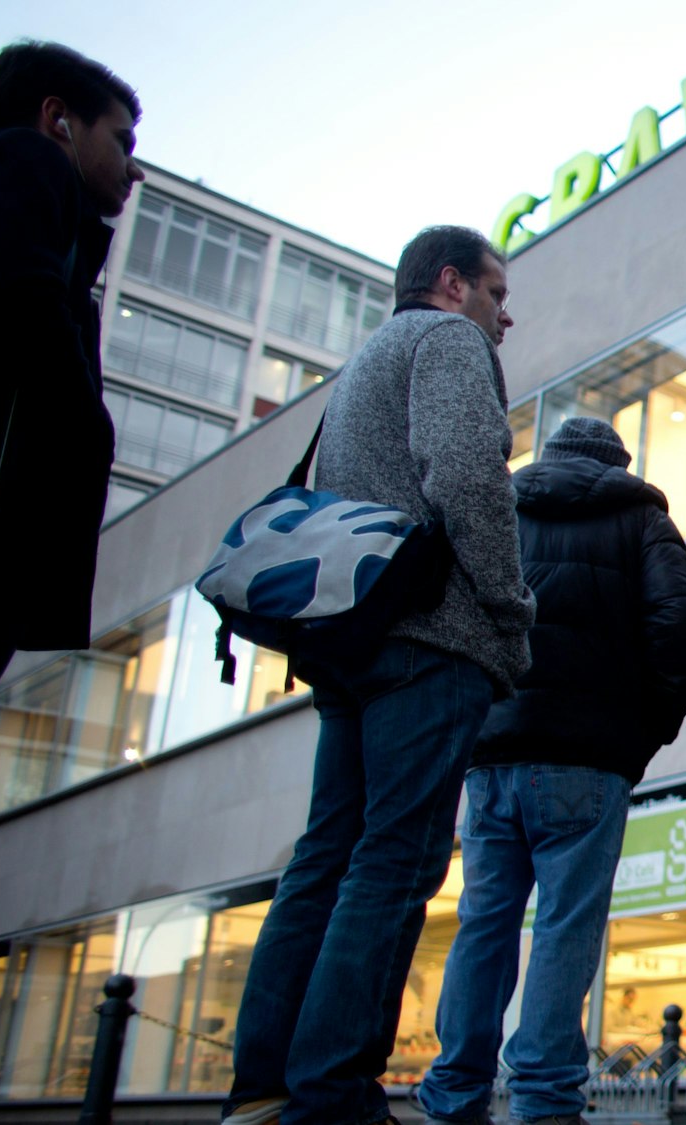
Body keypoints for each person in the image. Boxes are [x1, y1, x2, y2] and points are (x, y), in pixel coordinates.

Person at [222, 226, 535, 1125]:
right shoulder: (449, 340)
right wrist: (511, 608)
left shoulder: (363, 362)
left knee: (325, 856)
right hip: (429, 640)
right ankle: (332, 1096)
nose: (505, 316)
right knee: (396, 859)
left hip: (350, 642)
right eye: (497, 293)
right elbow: (468, 477)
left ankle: (265, 1088)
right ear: (452, 284)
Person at [417, 416, 686, 1125]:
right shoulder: (645, 521)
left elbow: (451, 613)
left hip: (494, 751)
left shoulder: (501, 510)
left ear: (551, 456)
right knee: (566, 925)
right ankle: (544, 1100)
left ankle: (454, 1092)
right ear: (618, 464)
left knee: (482, 920)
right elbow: (678, 632)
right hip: (587, 757)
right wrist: (642, 735)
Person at [0, 41, 143, 730]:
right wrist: (87, 424)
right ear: (57, 118)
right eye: (122, 141)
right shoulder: (26, 159)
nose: (135, 168)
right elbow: (17, 296)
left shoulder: (35, 195)